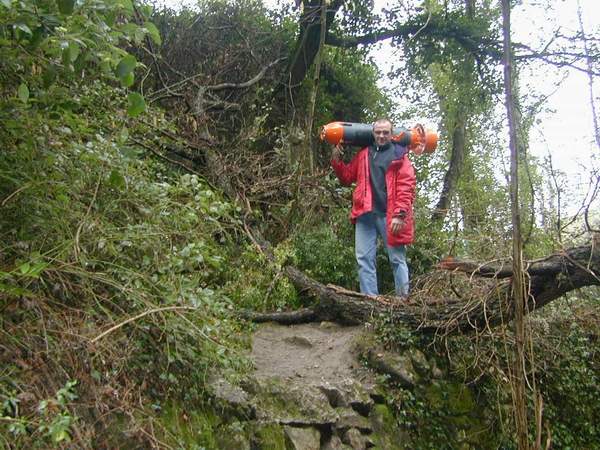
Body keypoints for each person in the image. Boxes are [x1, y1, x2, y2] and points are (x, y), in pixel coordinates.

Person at [331, 118, 416, 297]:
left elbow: (406, 188)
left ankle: (403, 301)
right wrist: (336, 159)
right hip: (365, 214)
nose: (381, 136)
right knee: (364, 259)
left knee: (397, 259)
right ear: (373, 133)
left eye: (385, 132)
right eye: (378, 132)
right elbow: (347, 177)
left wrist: (400, 214)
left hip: (390, 215)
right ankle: (370, 302)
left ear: (392, 134)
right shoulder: (364, 153)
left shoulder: (400, 156)